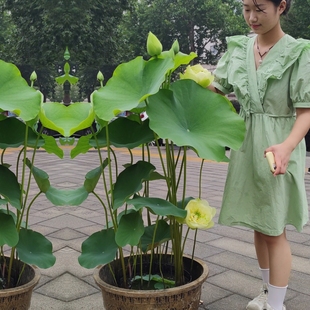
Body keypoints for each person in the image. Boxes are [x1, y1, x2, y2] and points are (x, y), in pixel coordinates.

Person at [209, 0, 310, 309]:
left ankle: (277, 305)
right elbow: (214, 90)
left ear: (281, 6)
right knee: (258, 222)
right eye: (245, 8)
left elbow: (306, 111)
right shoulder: (239, 49)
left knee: (274, 227)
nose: (251, 17)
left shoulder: (299, 52)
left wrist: (288, 146)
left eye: (260, 8)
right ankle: (267, 292)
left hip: (279, 145)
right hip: (246, 142)